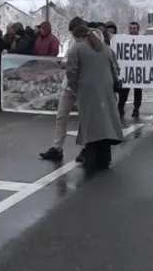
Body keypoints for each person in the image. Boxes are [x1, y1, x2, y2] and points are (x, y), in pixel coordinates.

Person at [65, 23, 125, 173]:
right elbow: (115, 68)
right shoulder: (105, 48)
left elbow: (71, 71)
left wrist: (75, 87)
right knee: (105, 123)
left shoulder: (77, 49)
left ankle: (90, 159)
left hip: (87, 90)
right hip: (106, 89)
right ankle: (104, 160)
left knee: (90, 124)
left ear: (80, 37)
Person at [40, 17, 90, 162]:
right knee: (61, 116)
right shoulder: (72, 44)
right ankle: (57, 148)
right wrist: (65, 63)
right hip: (69, 84)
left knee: (85, 119)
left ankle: (86, 148)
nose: (73, 35)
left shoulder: (90, 43)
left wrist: (68, 63)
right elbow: (67, 59)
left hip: (82, 85)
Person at [117, 21, 144, 118]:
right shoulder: (124, 39)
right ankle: (120, 107)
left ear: (138, 29)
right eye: (131, 28)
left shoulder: (142, 39)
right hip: (126, 70)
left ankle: (136, 108)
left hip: (138, 70)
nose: (132, 30)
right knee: (123, 90)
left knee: (138, 91)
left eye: (134, 28)